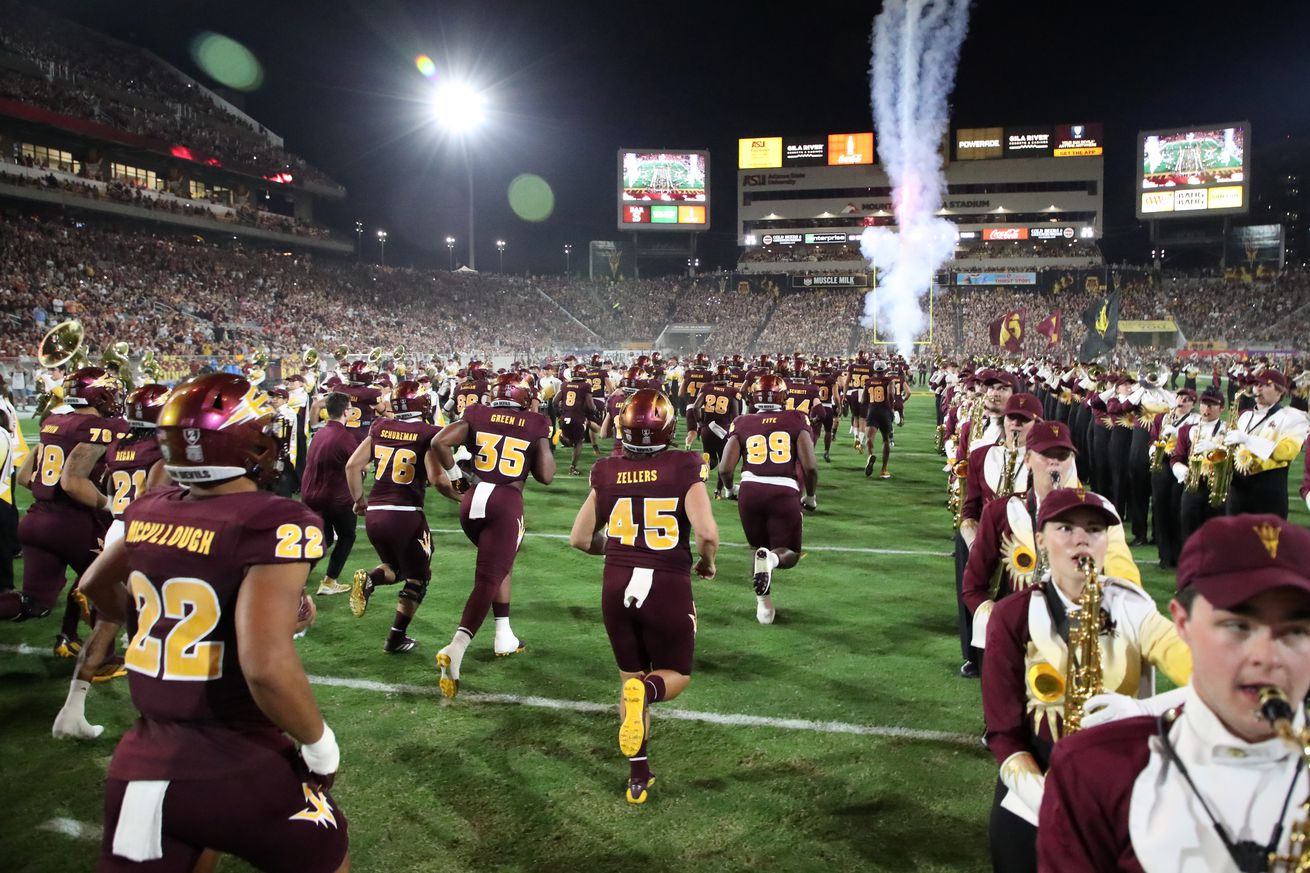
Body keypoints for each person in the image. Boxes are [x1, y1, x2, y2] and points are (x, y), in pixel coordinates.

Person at [78, 372, 349, 872]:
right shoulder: (274, 520)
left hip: (140, 767)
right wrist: (320, 745)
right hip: (236, 762)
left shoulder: (149, 510)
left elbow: (94, 584)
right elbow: (265, 665)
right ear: (244, 441)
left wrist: (151, 626)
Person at [1038, 515, 1310, 872]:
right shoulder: (1093, 771)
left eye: (1295, 631)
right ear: (1182, 623)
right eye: (1238, 625)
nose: (1268, 657)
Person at [982, 487, 1191, 873]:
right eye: (1066, 528)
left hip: (1121, 794)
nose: (1082, 539)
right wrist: (1053, 804)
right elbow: (1004, 734)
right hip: (1034, 793)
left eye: (1095, 530)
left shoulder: (1132, 606)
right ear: (1040, 539)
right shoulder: (1012, 615)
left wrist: (1142, 709)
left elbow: (1207, 675)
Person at [567, 388, 718, 804]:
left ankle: (638, 777)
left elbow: (579, 538)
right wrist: (706, 563)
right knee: (675, 675)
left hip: (616, 582)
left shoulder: (606, 470)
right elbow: (706, 534)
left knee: (628, 679)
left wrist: (617, 549)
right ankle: (647, 694)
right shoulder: (685, 464)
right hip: (666, 582)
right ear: (669, 428)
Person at [53, 384, 172, 740]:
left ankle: (71, 711)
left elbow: (89, 478)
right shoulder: (162, 450)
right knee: (154, 626)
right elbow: (158, 496)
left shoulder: (117, 442)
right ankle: (156, 720)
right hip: (144, 533)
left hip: (118, 528)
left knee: (108, 622)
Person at [432, 372, 554, 697]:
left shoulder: (477, 413)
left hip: (472, 500)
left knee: (501, 566)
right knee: (489, 576)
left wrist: (458, 480)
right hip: (505, 502)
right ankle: (456, 648)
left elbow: (439, 441)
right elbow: (546, 475)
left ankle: (504, 635)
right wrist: (540, 437)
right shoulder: (534, 421)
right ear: (525, 399)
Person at [0, 368, 125, 636]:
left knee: (32, 604)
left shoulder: (54, 421)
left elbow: (24, 477)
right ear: (99, 395)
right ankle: (96, 656)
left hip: (35, 521)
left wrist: (50, 492)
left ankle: (68, 637)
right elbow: (72, 483)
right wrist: (110, 505)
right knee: (108, 584)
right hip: (73, 522)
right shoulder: (101, 427)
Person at [345, 381, 458, 653]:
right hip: (406, 515)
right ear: (424, 404)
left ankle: (370, 580)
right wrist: (462, 497)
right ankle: (395, 638)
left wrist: (359, 501)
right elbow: (438, 480)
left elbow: (352, 466)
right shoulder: (428, 433)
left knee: (397, 568)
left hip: (376, 514)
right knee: (418, 578)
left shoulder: (381, 427)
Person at [717, 373, 818, 625]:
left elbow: (725, 469)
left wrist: (729, 490)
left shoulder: (742, 422)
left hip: (750, 489)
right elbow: (810, 467)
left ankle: (764, 606)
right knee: (789, 553)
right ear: (783, 396)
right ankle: (772, 560)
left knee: (757, 547)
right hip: (783, 490)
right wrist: (811, 496)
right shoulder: (795, 418)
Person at [1223, 369, 1309, 518]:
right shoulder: (1244, 416)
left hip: (1269, 492)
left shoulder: (1292, 418)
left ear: (1279, 391)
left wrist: (1248, 440)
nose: (1258, 388)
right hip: (1237, 492)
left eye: (1265, 385)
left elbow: (1287, 452)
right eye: (1256, 384)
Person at [300, 393, 359, 596]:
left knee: (323, 539)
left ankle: (297, 577)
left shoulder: (320, 433)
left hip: (310, 494)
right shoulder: (344, 436)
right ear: (345, 411)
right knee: (347, 535)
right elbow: (360, 466)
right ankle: (329, 581)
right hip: (335, 498)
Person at [555, 364, 602, 476]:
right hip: (578, 417)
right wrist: (595, 411)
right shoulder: (585, 386)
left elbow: (554, 402)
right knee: (578, 442)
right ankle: (572, 467)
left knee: (571, 440)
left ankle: (563, 436)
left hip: (564, 417)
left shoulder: (565, 385)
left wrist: (560, 413)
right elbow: (591, 406)